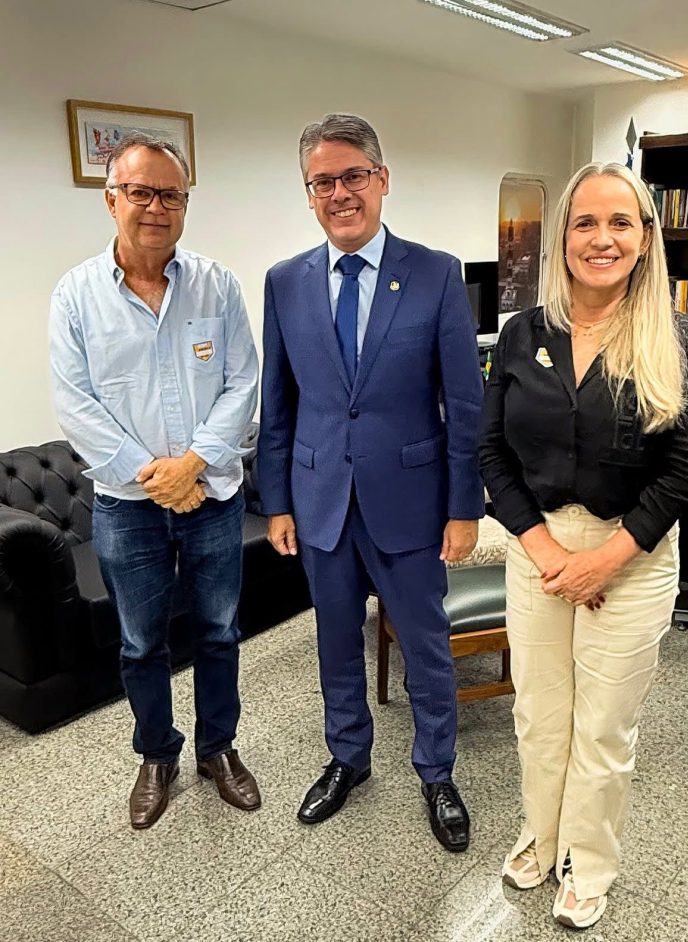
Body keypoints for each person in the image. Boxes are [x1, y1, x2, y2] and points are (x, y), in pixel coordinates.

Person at [479, 162, 688, 928]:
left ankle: (588, 862)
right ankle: (542, 836)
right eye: (585, 222)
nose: (601, 238)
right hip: (538, 549)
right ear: (564, 237)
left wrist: (606, 561)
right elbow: (491, 450)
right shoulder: (524, 333)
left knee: (603, 727)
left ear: (646, 238)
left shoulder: (678, 337)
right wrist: (547, 550)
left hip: (634, 554)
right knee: (540, 714)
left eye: (620, 222)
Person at [257, 114, 484, 851]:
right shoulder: (285, 282)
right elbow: (278, 402)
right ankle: (348, 757)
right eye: (322, 181)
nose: (340, 193)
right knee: (334, 642)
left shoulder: (436, 273)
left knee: (425, 645)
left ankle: (436, 771)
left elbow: (465, 401)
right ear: (309, 194)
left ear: (382, 180)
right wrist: (277, 502)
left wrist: (463, 506)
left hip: (412, 503)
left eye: (353, 175)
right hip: (320, 500)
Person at [49, 134, 261, 830]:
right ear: (111, 200)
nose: (156, 207)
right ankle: (156, 755)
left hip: (212, 500)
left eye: (171, 194)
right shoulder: (76, 296)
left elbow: (243, 383)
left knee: (220, 632)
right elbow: (77, 406)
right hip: (126, 507)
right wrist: (159, 478)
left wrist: (192, 464)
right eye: (141, 192)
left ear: (185, 204)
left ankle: (217, 748)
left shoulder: (217, 285)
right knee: (141, 644)